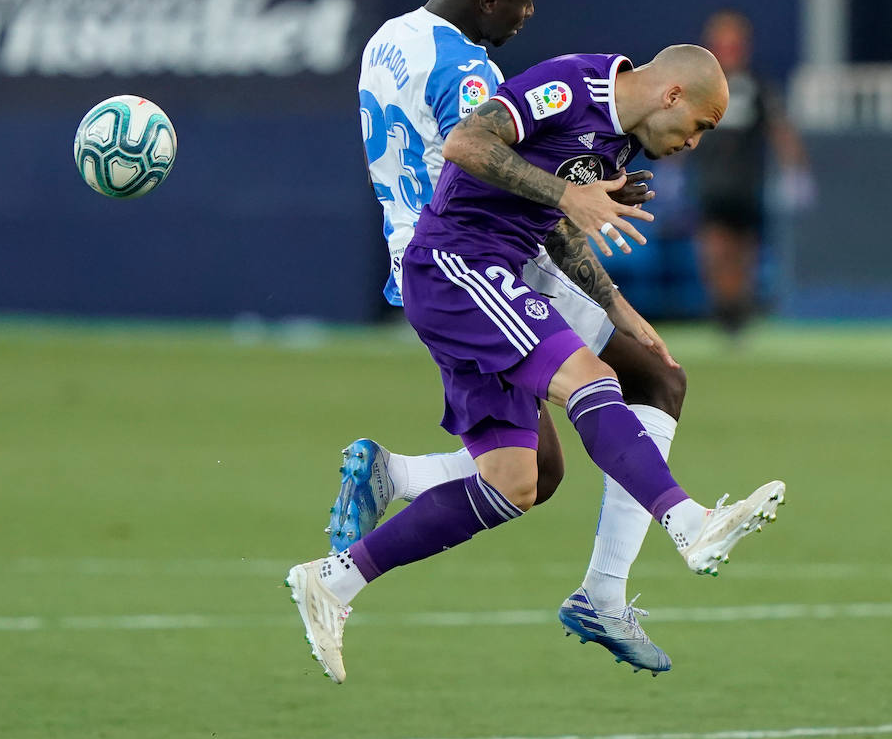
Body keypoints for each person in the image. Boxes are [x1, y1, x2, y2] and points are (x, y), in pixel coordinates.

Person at [287, 46, 787, 684]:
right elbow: (469, 142)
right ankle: (689, 523)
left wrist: (616, 304)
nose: (694, 141)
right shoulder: (571, 85)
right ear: (672, 96)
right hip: (459, 262)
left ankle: (333, 581)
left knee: (517, 482)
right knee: (595, 381)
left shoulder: (617, 144)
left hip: (484, 272)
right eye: (699, 124)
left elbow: (555, 220)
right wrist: (566, 194)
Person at [340, 0, 688, 673]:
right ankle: (612, 585)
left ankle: (392, 477)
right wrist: (578, 194)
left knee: (532, 474)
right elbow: (485, 161)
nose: (526, 21)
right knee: (656, 377)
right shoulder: (470, 73)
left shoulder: (387, 41)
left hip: (416, 261)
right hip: (487, 262)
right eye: (522, 7)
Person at [687, 9, 811, 336]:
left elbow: (780, 129)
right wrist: (669, 167)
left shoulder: (757, 86)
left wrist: (795, 171)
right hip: (711, 184)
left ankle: (740, 312)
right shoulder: (699, 87)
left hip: (746, 184)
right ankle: (722, 309)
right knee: (715, 251)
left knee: (743, 254)